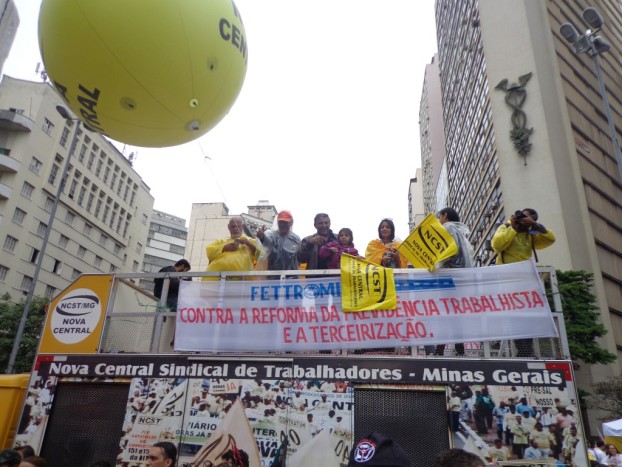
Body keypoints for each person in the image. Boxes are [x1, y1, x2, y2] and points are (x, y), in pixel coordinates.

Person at [491, 208, 555, 357]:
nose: (522, 219)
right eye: (522, 216)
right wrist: (513, 228)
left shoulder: (531, 234)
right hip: (508, 281)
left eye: (526, 218)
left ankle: (527, 350)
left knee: (527, 316)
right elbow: (497, 245)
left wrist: (535, 225)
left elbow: (550, 239)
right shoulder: (506, 227)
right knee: (514, 316)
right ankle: (522, 350)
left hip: (526, 282)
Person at [434, 207, 473, 356]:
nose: (439, 220)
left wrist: (435, 265)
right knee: (454, 315)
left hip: (450, 277)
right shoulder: (458, 231)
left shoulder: (448, 228)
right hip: (459, 278)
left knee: (447, 314)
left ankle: (440, 351)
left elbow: (448, 251)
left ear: (445, 215)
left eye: (439, 217)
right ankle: (458, 349)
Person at [204, 216, 259, 280]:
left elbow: (260, 256)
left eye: (238, 226)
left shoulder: (250, 241)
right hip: (219, 280)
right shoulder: (222, 242)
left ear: (242, 227)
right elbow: (210, 252)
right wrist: (225, 247)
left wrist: (248, 243)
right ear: (229, 227)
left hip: (242, 281)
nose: (235, 229)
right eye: (233, 226)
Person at [256, 210, 300, 276]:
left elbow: (299, 258)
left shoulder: (296, 239)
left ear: (291, 223)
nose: (282, 224)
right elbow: (270, 249)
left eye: (285, 222)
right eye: (280, 222)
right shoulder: (272, 235)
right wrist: (262, 238)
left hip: (291, 277)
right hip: (273, 277)